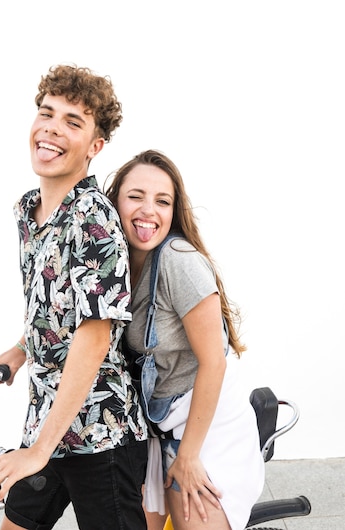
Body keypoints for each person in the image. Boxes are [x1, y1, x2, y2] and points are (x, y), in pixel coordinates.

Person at [0, 65, 149, 530]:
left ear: (95, 147)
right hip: (50, 419)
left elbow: (94, 337)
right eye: (47, 114)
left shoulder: (93, 221)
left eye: (74, 122)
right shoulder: (28, 212)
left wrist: (36, 452)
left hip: (99, 431)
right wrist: (22, 347)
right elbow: (57, 301)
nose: (53, 129)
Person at [106, 149, 265, 530]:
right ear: (114, 202)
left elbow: (215, 362)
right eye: (135, 196)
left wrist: (190, 456)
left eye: (163, 201)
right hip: (159, 426)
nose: (149, 210)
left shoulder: (179, 261)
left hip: (206, 427)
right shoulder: (114, 260)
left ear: (174, 212)